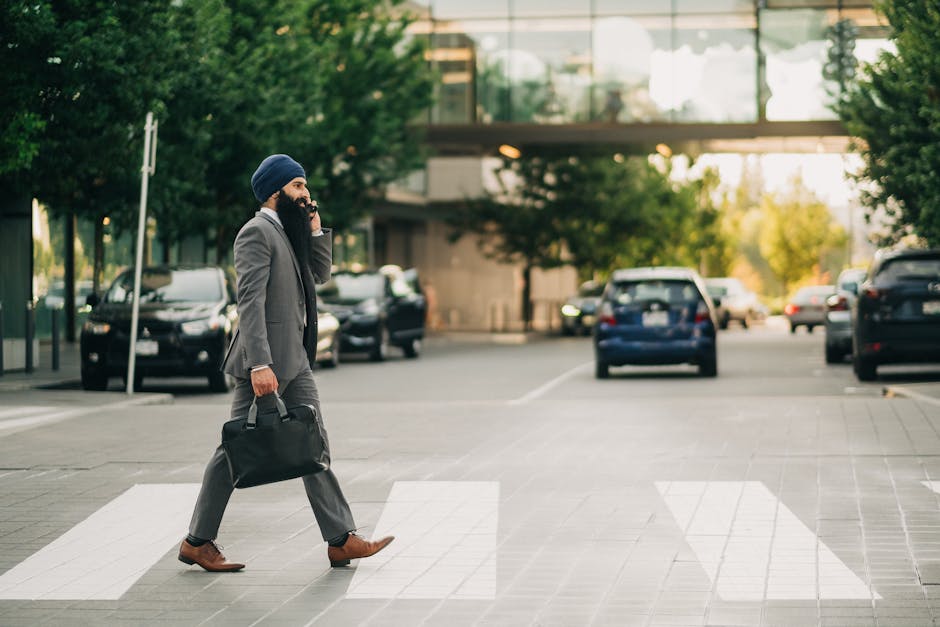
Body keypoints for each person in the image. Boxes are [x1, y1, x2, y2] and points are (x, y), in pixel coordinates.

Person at [178, 154, 394, 572]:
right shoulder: (256, 233)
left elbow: (320, 273)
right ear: (275, 192)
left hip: (293, 361)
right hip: (266, 364)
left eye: (306, 187)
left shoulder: (287, 231)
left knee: (312, 445)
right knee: (235, 448)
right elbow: (250, 303)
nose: (306, 194)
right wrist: (259, 363)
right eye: (298, 187)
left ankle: (340, 539)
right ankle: (198, 541)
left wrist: (315, 231)